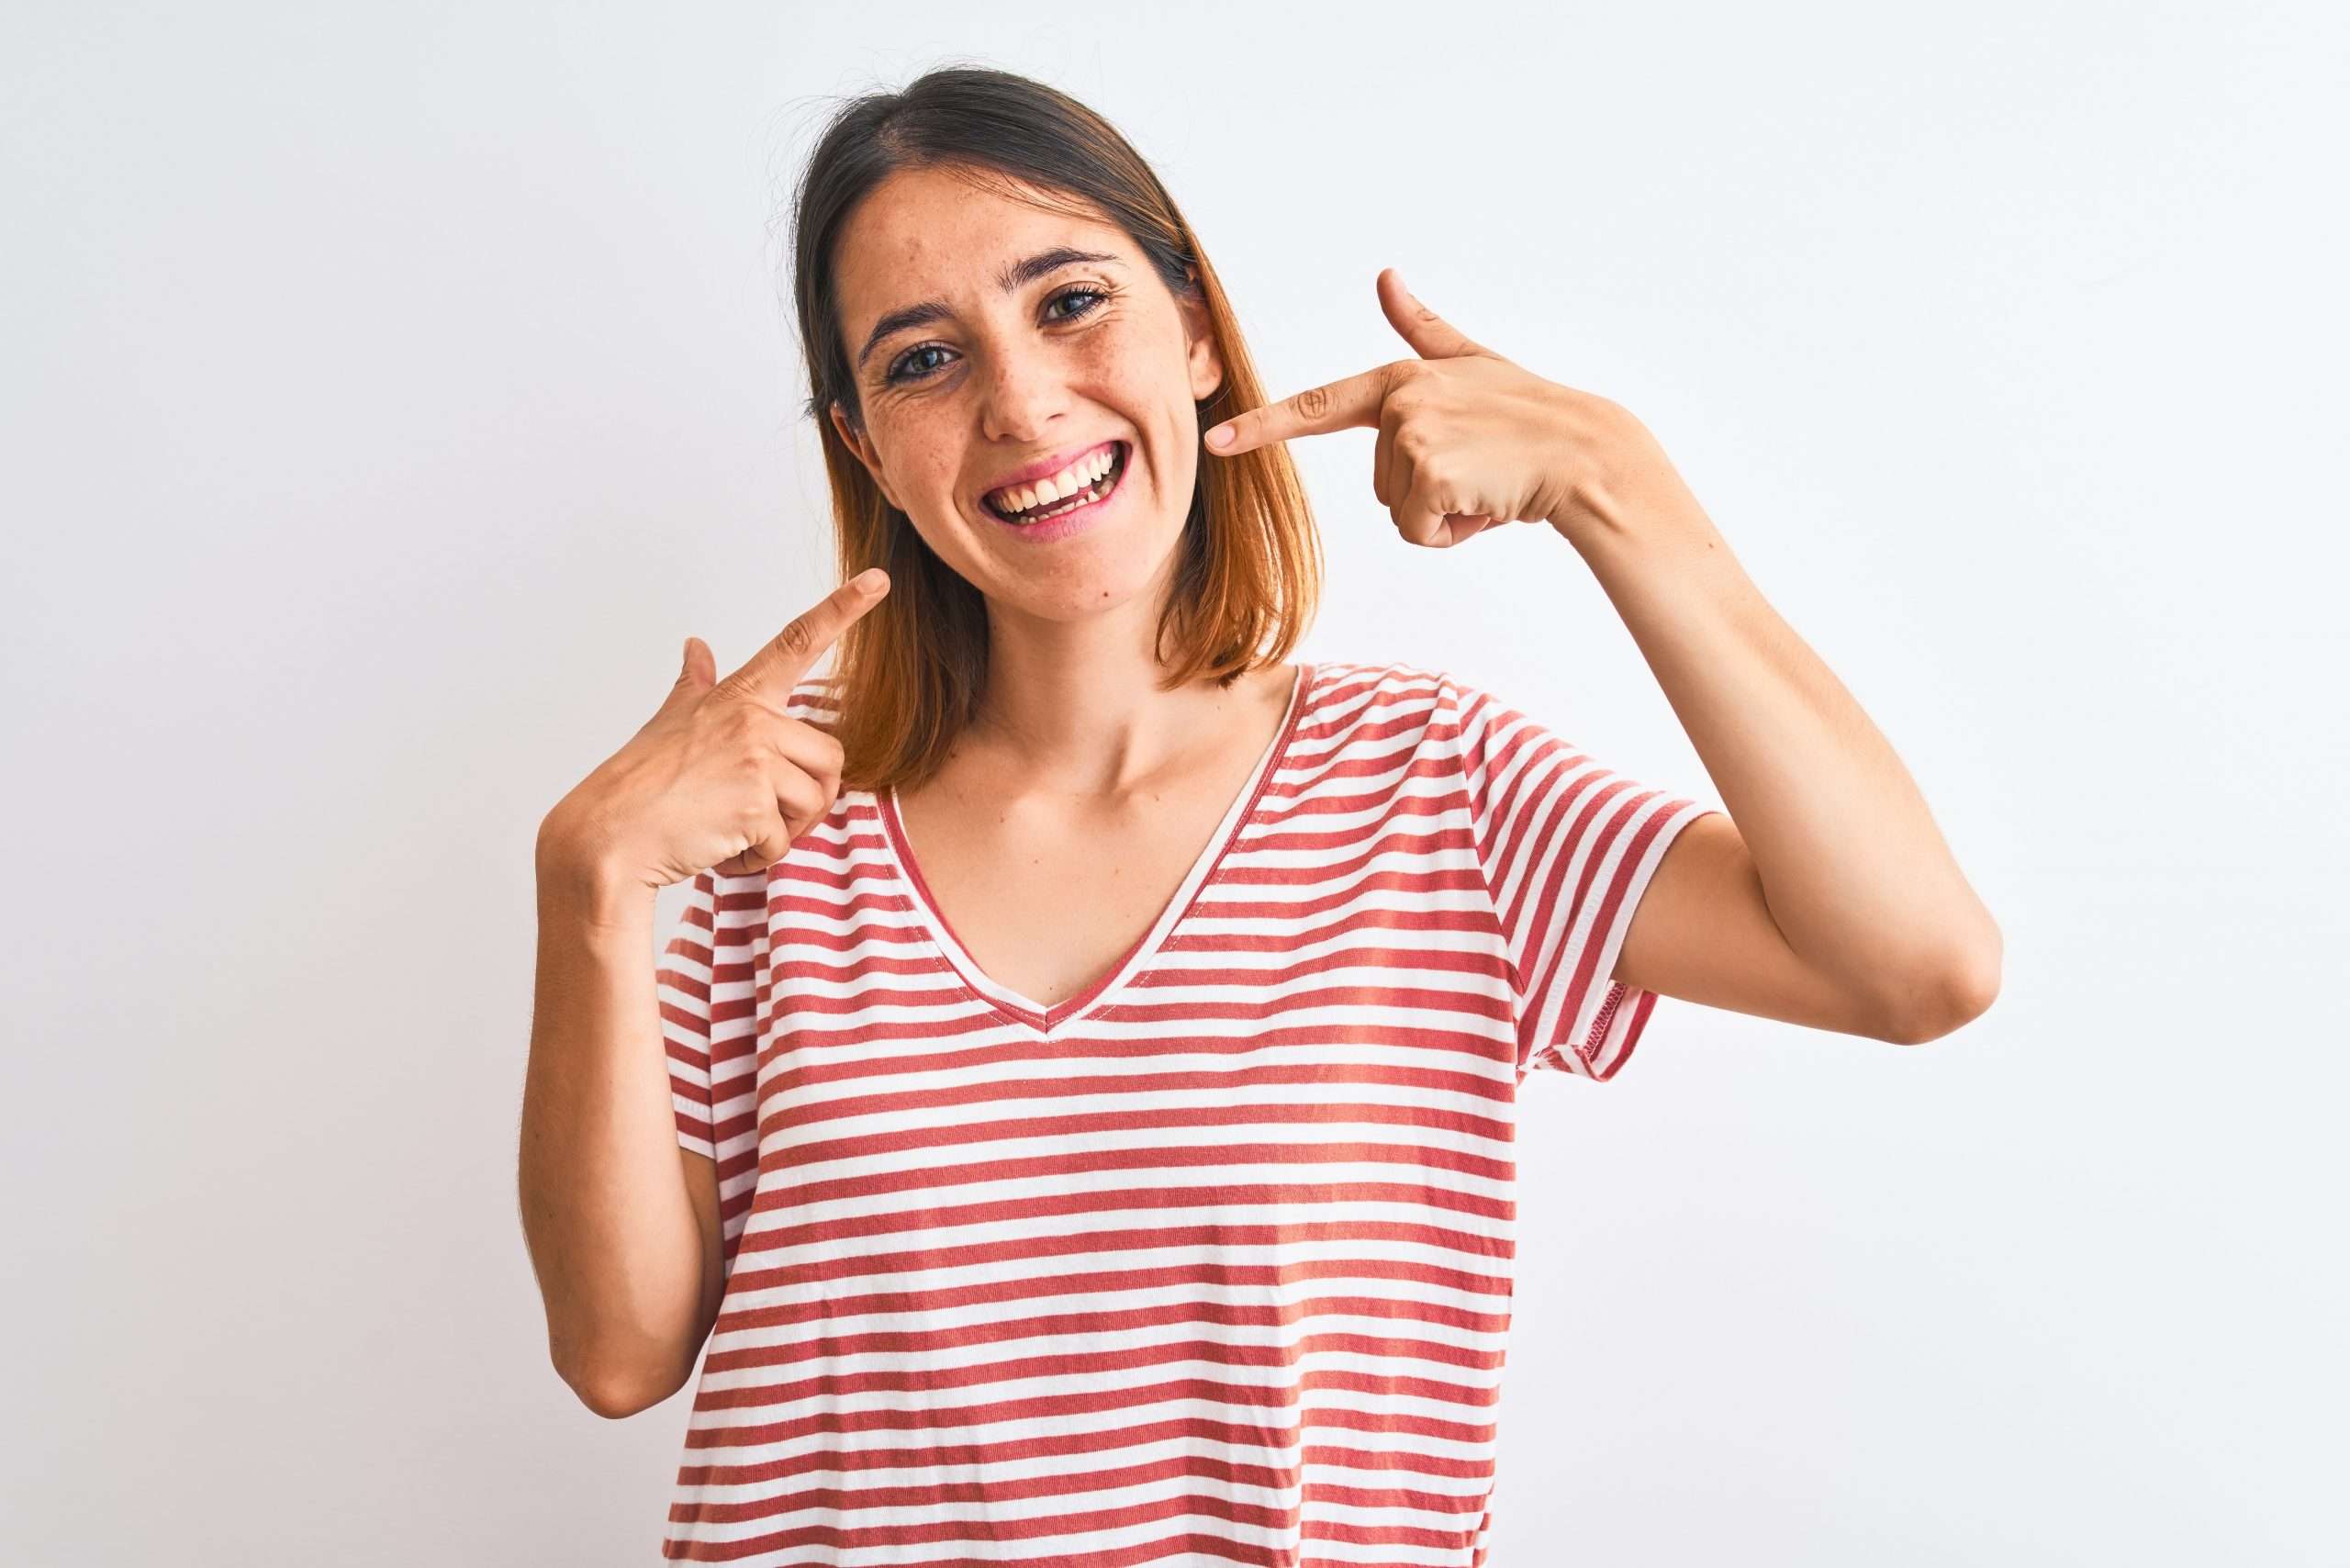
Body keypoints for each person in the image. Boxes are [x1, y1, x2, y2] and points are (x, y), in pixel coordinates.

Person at [519, 64, 2001, 1567]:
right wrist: (590, 883)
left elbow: (1917, 965)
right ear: (866, 448)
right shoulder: (788, 821)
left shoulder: (1433, 787)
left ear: (1199, 334)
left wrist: (1614, 484)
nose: (1019, 403)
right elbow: (620, 1351)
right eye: (923, 361)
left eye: (1070, 302)